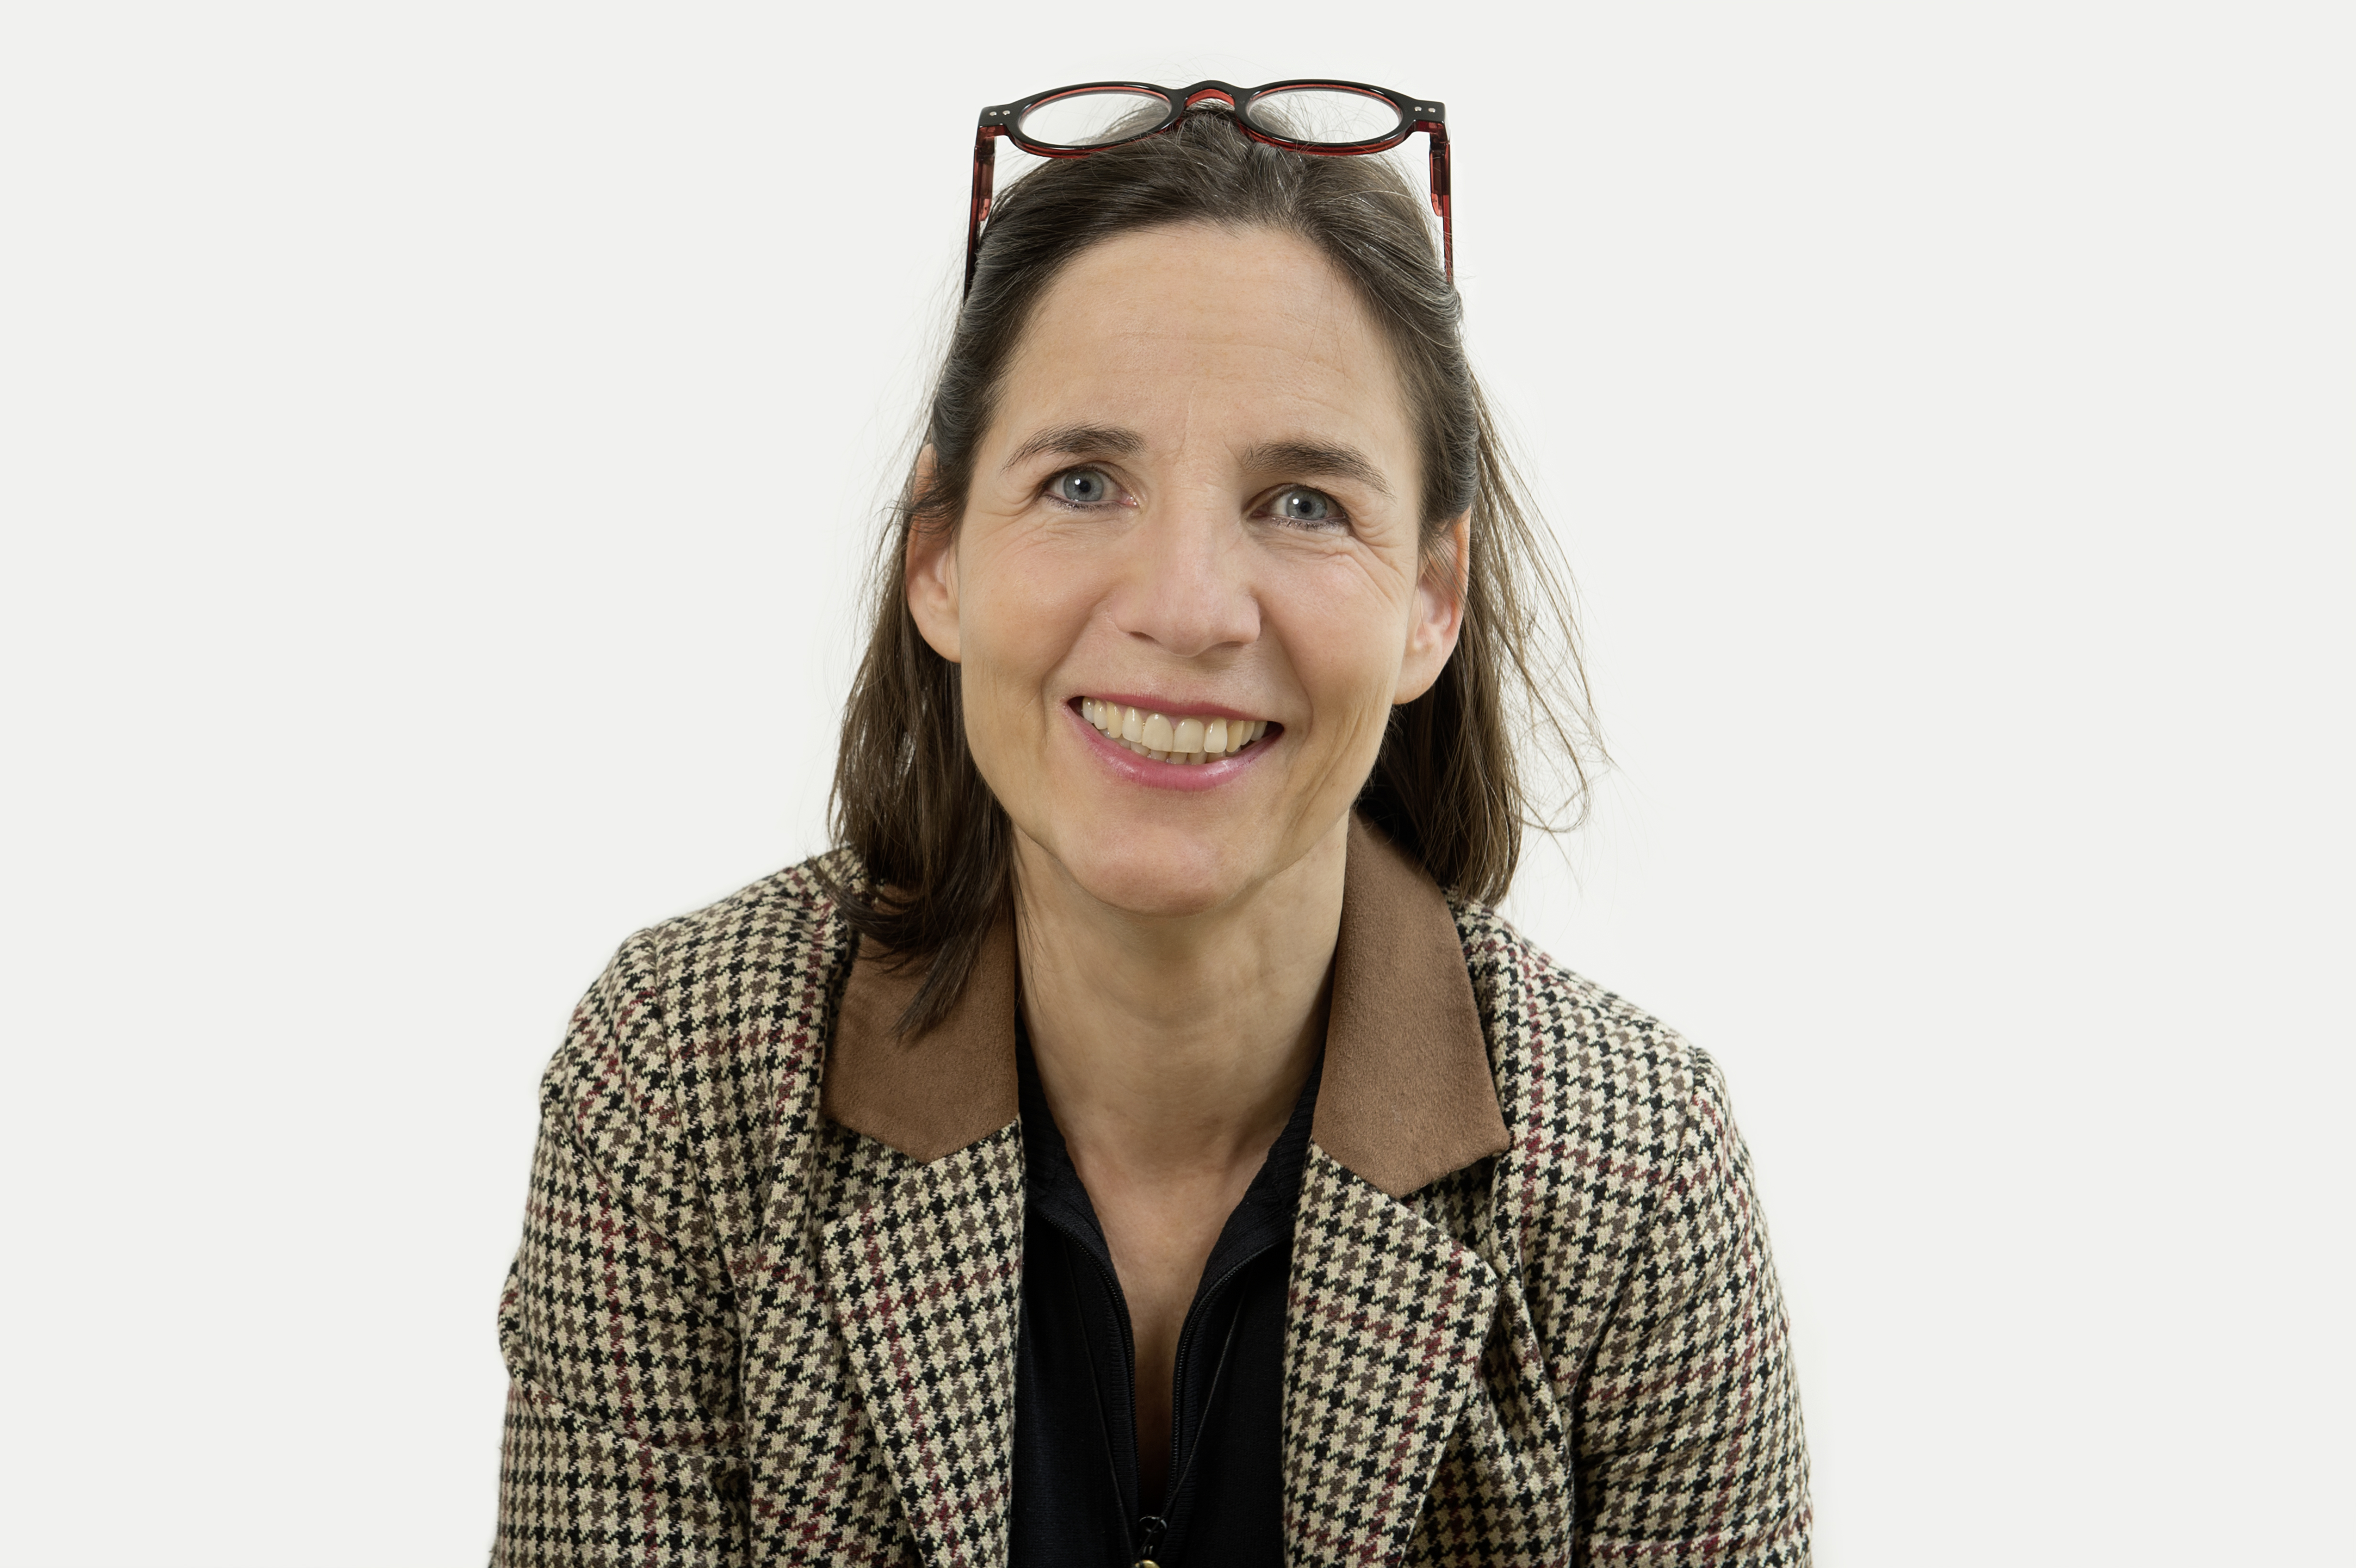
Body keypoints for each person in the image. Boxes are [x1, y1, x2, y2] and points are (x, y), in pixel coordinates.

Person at [490, 80, 1811, 1567]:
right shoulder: (683, 1083)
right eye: (1083, 482)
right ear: (940, 558)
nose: (1187, 609)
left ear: (1432, 599)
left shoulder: (1637, 1176)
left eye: (1303, 503)